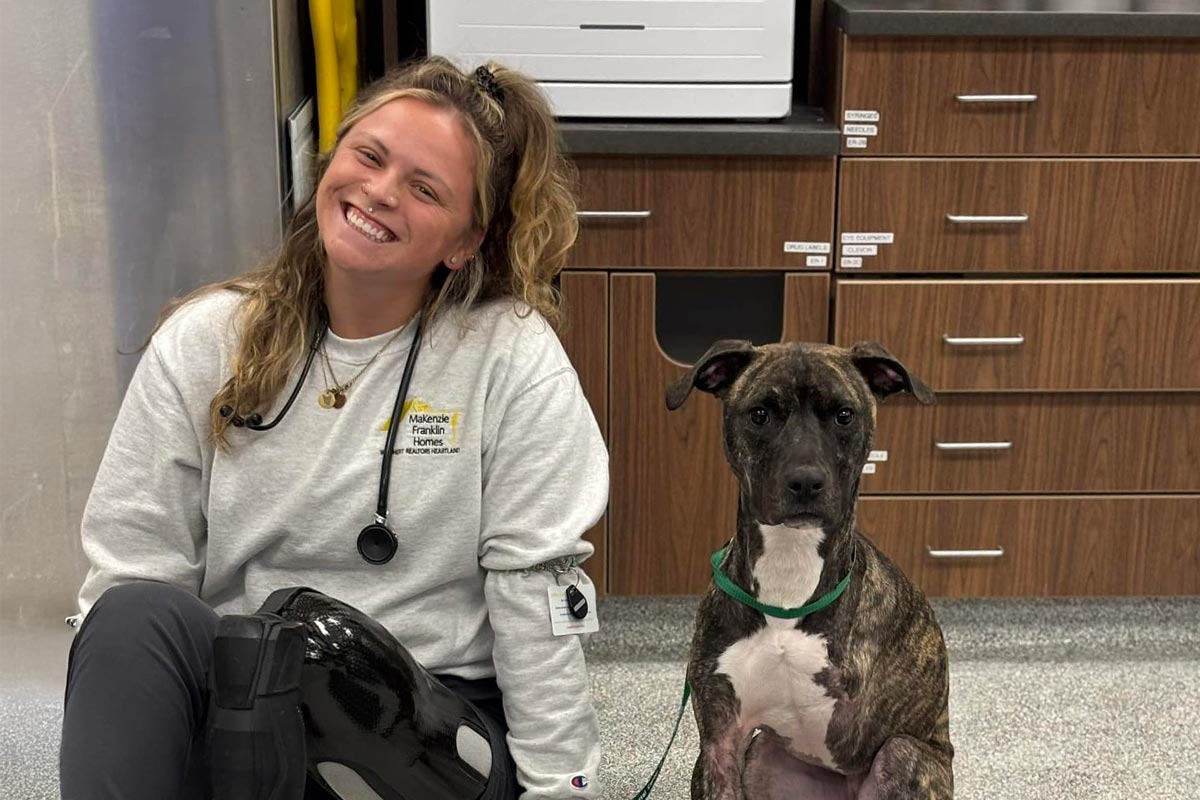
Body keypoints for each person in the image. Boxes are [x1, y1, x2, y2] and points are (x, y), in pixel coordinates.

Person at [60, 55, 608, 800]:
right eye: (369, 156)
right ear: (331, 159)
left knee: (322, 649)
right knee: (132, 614)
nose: (379, 193)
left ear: (465, 241)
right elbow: (133, 565)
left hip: (431, 723)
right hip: (245, 700)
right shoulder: (204, 340)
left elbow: (537, 603)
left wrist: (560, 791)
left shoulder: (509, 358)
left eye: (424, 189)